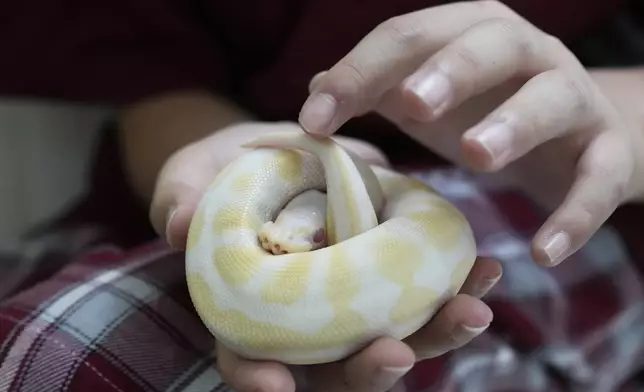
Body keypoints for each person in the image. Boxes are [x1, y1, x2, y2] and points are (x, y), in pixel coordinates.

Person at [0, 0, 643, 391]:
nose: (281, 242)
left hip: (569, 210)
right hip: (250, 156)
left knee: (74, 350)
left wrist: (607, 131)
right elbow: (154, 79)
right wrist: (221, 156)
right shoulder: (304, 190)